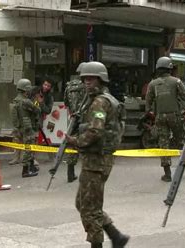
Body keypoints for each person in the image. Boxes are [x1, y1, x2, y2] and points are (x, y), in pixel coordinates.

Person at [65, 61, 129, 248]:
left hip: (97, 160)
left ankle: (99, 244)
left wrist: (75, 141)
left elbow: (95, 132)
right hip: (98, 159)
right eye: (84, 79)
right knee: (83, 203)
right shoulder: (100, 99)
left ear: (101, 80)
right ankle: (116, 236)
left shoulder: (100, 102)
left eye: (91, 79)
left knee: (89, 208)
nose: (87, 82)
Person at [145, 56, 185, 182]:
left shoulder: (152, 84)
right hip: (176, 115)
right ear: (169, 68)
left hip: (160, 117)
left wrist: (149, 112)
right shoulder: (176, 81)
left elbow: (148, 101)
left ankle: (167, 174)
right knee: (182, 142)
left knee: (164, 144)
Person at [11, 78, 41, 178]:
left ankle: (31, 167)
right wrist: (36, 102)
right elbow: (37, 110)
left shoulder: (16, 100)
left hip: (20, 127)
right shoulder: (25, 101)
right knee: (29, 148)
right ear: (26, 89)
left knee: (29, 147)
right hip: (27, 127)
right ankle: (26, 170)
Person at [63, 62, 87, 183]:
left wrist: (72, 113)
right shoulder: (86, 86)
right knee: (88, 142)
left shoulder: (69, 86)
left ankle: (70, 173)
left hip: (73, 118)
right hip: (85, 118)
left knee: (72, 144)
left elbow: (66, 104)